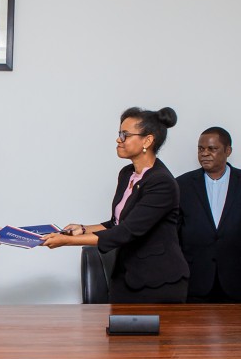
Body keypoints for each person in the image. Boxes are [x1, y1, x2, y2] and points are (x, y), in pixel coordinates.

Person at [43, 107, 189, 303]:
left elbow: (126, 232)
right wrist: (83, 229)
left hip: (158, 281)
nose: (118, 140)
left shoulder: (162, 182)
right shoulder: (127, 174)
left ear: (147, 140)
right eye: (120, 134)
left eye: (125, 135)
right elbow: (116, 223)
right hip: (126, 276)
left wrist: (66, 241)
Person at [177, 127, 241, 303]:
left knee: (237, 323)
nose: (204, 153)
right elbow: (173, 234)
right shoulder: (182, 185)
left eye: (212, 149)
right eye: (200, 149)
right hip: (194, 280)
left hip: (236, 280)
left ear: (228, 151)